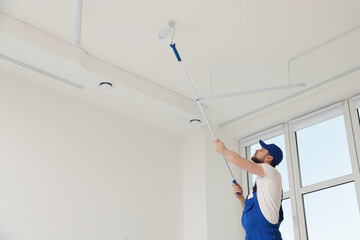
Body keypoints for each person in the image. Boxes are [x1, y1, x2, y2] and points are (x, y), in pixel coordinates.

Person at [214, 139, 284, 240]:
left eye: (262, 149)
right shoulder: (262, 183)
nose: (257, 150)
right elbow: (250, 212)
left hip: (265, 235)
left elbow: (236, 160)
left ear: (269, 158)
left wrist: (223, 150)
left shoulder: (271, 172)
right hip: (252, 235)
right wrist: (241, 197)